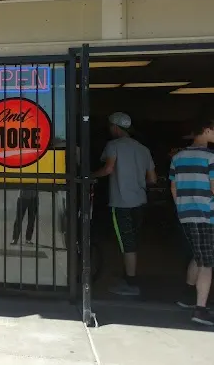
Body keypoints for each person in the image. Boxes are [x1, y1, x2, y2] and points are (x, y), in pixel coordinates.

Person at [170, 117, 214, 326]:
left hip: (185, 213)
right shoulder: (213, 156)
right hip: (205, 213)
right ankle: (200, 310)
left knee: (198, 255)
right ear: (207, 130)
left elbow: (174, 188)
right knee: (206, 261)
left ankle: (188, 296)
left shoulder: (178, 156)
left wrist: (181, 207)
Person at [92, 112, 156, 296]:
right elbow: (152, 178)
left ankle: (131, 282)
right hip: (139, 201)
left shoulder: (113, 146)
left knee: (126, 243)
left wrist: (90, 176)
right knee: (132, 241)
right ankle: (129, 276)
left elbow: (108, 168)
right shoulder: (143, 149)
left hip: (121, 202)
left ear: (115, 127)